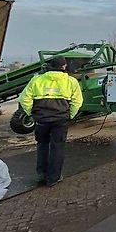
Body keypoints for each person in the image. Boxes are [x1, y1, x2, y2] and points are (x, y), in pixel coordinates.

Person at [18, 56, 83, 186]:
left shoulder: (37, 80)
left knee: (42, 145)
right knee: (57, 147)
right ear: (64, 66)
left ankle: (42, 175)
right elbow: (77, 101)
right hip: (60, 120)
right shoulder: (71, 81)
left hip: (42, 119)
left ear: (51, 66)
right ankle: (54, 178)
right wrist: (70, 115)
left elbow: (24, 99)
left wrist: (32, 113)